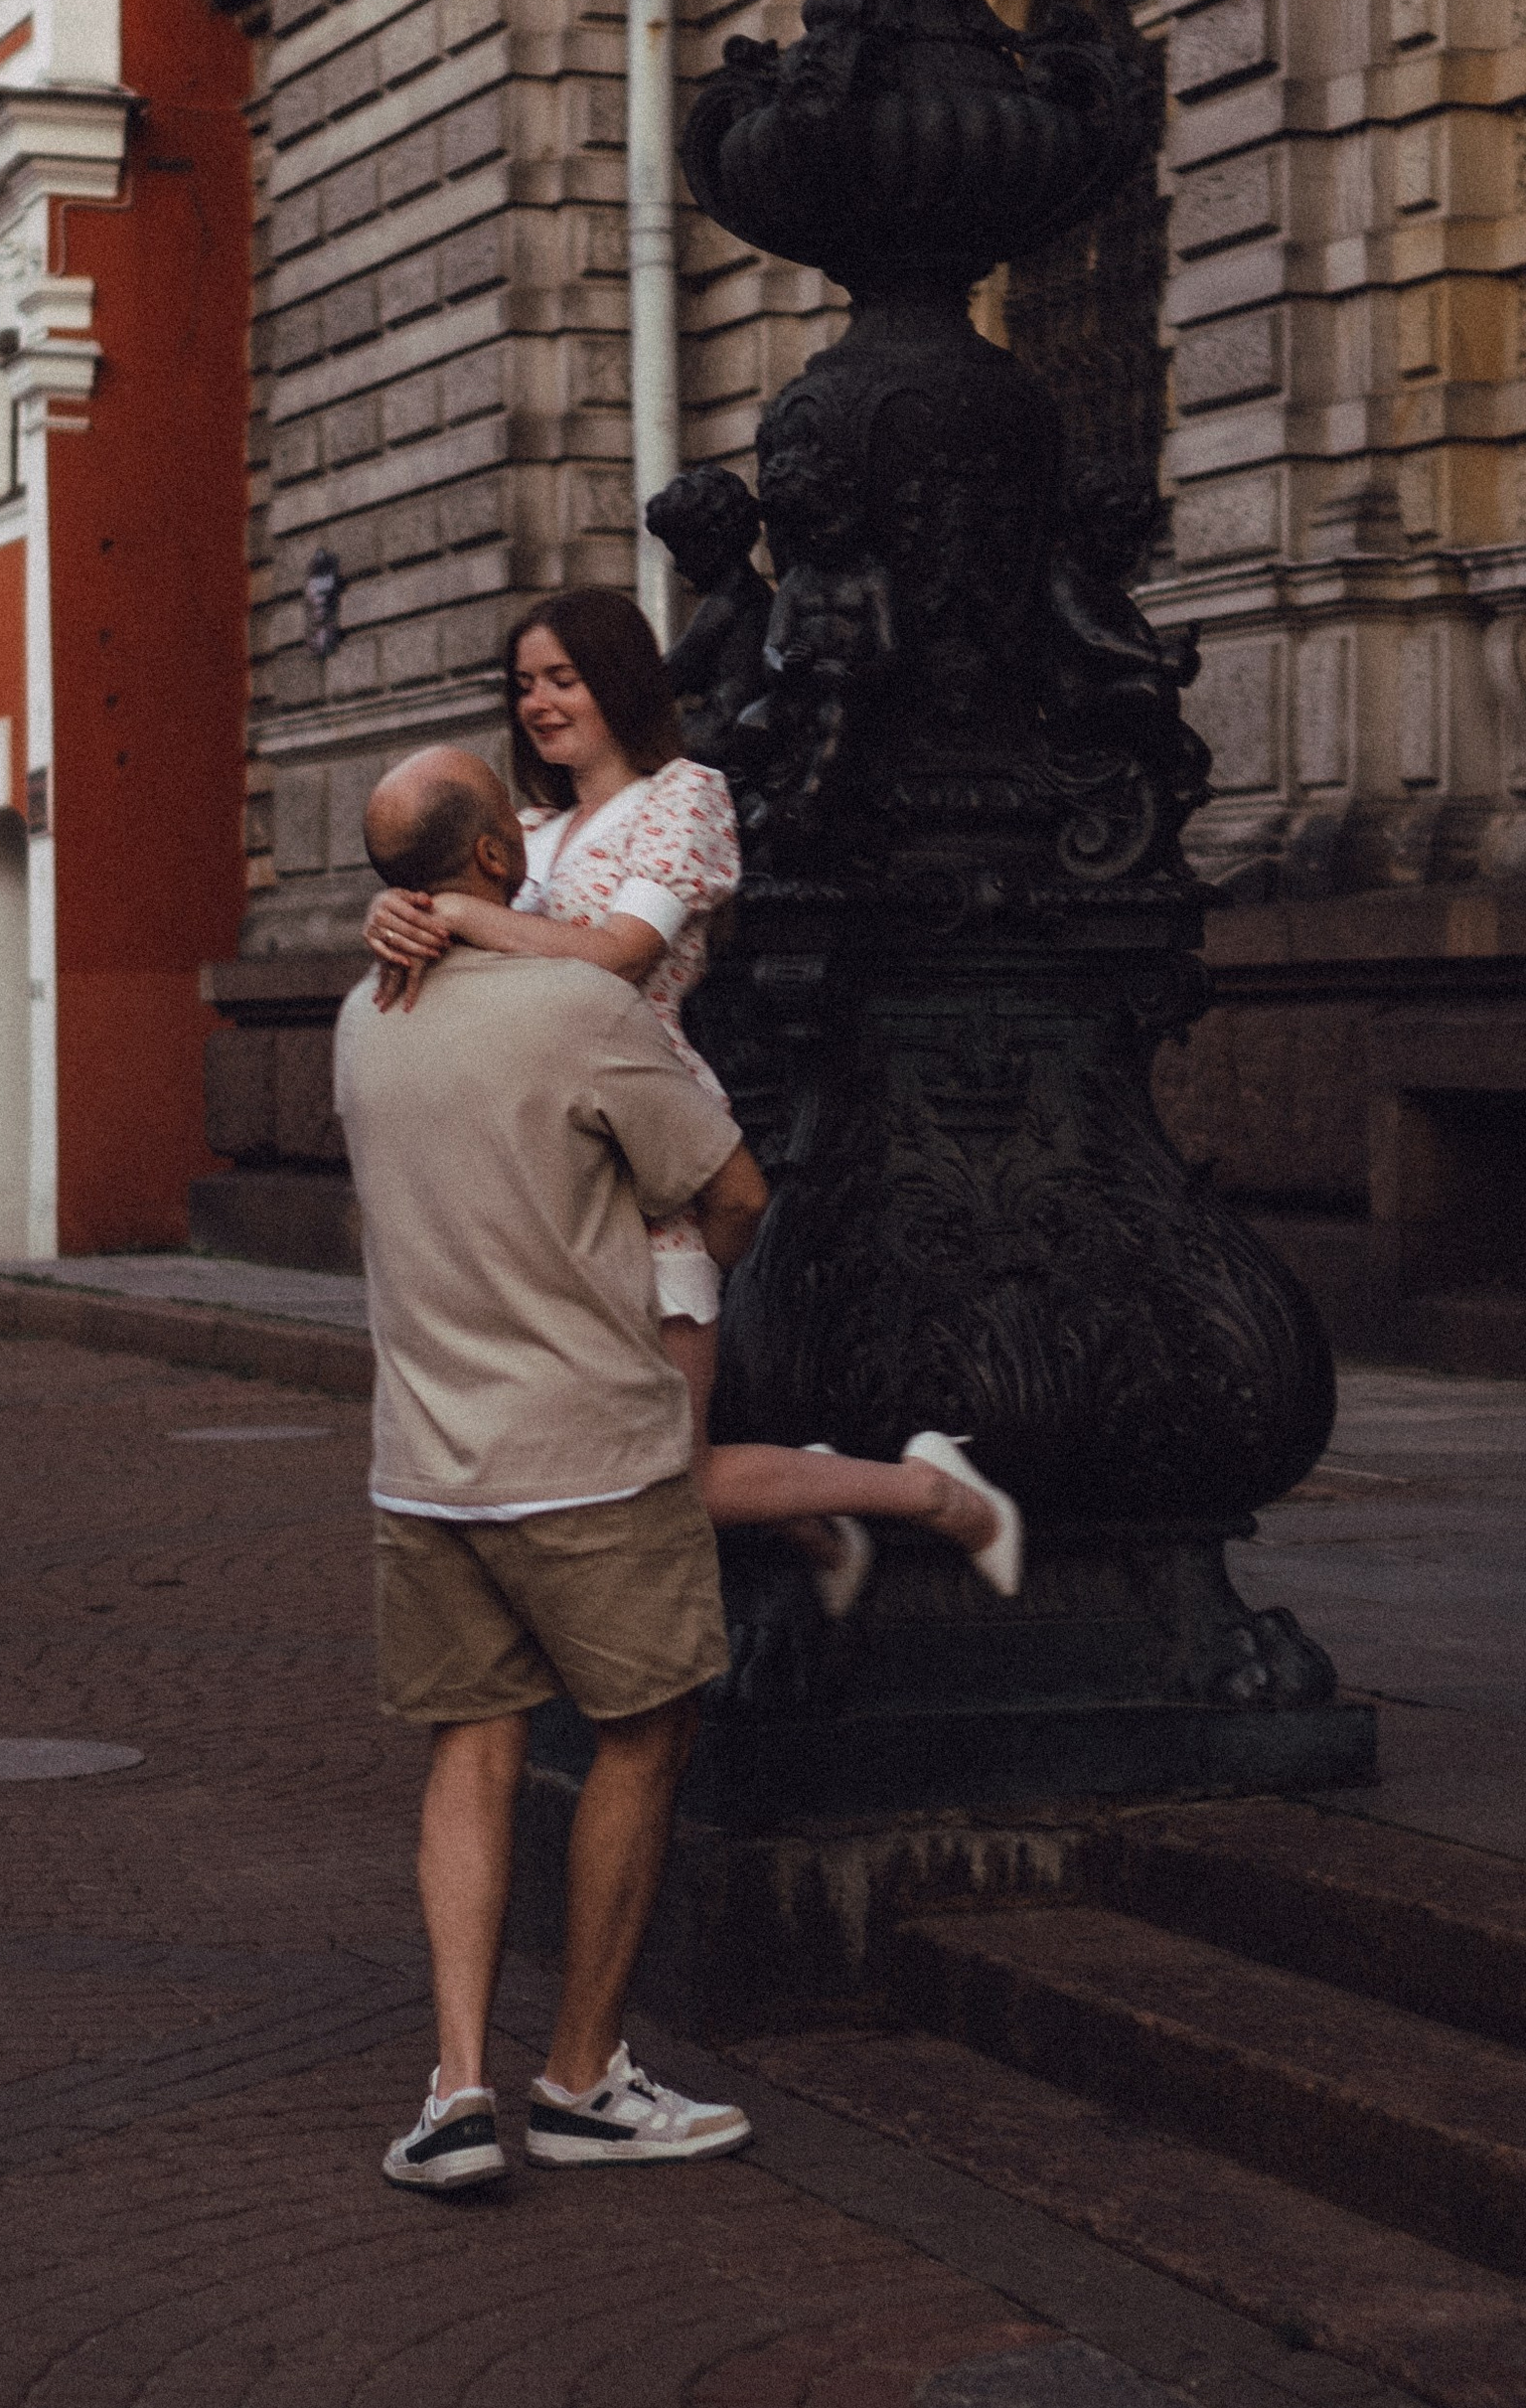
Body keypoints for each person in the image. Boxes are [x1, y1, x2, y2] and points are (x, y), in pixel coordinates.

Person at [364, 588, 1020, 1609]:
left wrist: (457, 913)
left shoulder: (683, 800)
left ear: (618, 681)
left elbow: (618, 955)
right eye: (525, 683)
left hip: (653, 1148)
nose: (538, 702)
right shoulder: (526, 828)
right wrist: (394, 909)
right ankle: (816, 1517)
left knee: (668, 1471)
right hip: (549, 1171)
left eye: (562, 679)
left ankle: (930, 1493)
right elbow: (453, 902)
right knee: (631, 1461)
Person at [336, 743, 769, 2195]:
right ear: (497, 861)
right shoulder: (583, 1013)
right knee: (646, 1732)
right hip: (587, 1447)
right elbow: (731, 1188)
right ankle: (581, 2076)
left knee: (472, 1747)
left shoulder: (360, 1016)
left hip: (426, 1466)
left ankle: (457, 2087)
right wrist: (686, 1270)